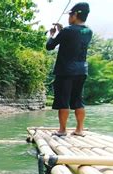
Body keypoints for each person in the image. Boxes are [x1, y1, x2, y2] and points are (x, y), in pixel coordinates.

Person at [46, 2, 93, 137]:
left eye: (70, 14)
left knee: (63, 100)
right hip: (81, 70)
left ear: (76, 15)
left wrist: (52, 34)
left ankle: (62, 130)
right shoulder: (88, 31)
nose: (69, 17)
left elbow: (50, 46)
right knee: (78, 100)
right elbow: (75, 38)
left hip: (66, 71)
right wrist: (63, 31)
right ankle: (79, 130)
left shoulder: (67, 31)